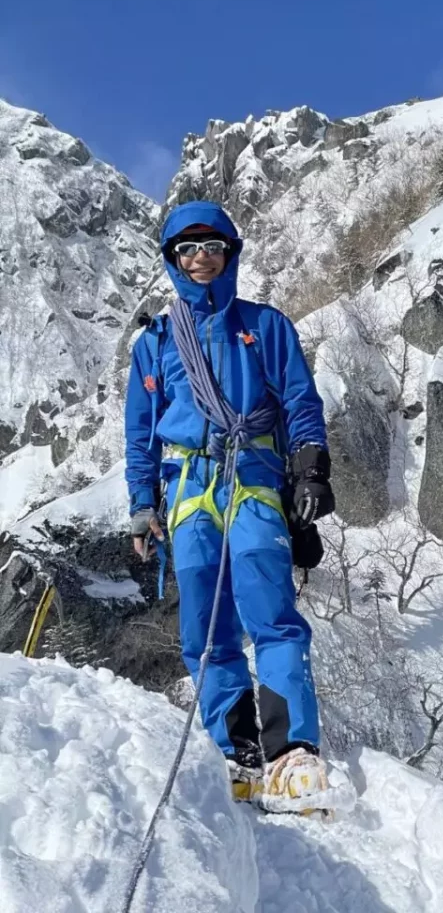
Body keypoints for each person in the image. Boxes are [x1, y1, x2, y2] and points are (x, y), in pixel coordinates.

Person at [124, 200, 335, 808]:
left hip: (252, 478)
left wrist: (310, 470)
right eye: (186, 250)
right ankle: (235, 752)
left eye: (211, 247)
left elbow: (300, 401)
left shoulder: (265, 326)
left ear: (230, 253)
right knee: (205, 630)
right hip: (189, 490)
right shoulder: (156, 342)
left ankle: (292, 752)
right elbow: (140, 431)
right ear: (172, 260)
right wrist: (143, 504)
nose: (199, 259)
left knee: (270, 609)